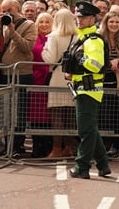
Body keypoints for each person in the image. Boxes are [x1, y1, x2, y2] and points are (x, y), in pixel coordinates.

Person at [67, 0, 111, 179]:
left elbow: (96, 65)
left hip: (89, 89)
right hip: (82, 87)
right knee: (90, 129)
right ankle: (103, 165)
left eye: (84, 17)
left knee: (85, 130)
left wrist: (80, 58)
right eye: (78, 16)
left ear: (93, 19)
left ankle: (82, 167)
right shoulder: (83, 37)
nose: (80, 20)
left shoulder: (93, 40)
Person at [0, 0, 37, 157]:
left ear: (18, 9)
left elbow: (27, 47)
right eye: (3, 10)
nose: (6, 13)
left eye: (9, 10)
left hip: (21, 74)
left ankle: (17, 146)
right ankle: (5, 145)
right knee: (4, 112)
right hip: (4, 74)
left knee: (19, 112)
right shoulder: (1, 23)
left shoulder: (29, 25)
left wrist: (12, 30)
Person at [42, 9, 80, 159]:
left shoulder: (54, 37)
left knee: (56, 114)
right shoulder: (78, 37)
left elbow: (50, 58)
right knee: (70, 114)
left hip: (57, 76)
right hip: (72, 78)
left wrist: (44, 51)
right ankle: (69, 147)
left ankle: (57, 148)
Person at [97, 10, 119, 157]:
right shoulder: (98, 36)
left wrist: (118, 61)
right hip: (100, 80)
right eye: (111, 21)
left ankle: (115, 146)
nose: (114, 24)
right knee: (101, 115)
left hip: (117, 81)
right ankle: (101, 146)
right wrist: (107, 63)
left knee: (115, 115)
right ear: (106, 22)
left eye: (117, 22)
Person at [28, 11, 53, 158]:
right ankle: (36, 146)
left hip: (49, 78)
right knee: (35, 114)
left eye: (47, 22)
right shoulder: (34, 38)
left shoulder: (54, 38)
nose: (44, 24)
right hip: (36, 78)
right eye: (41, 22)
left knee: (49, 114)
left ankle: (48, 145)